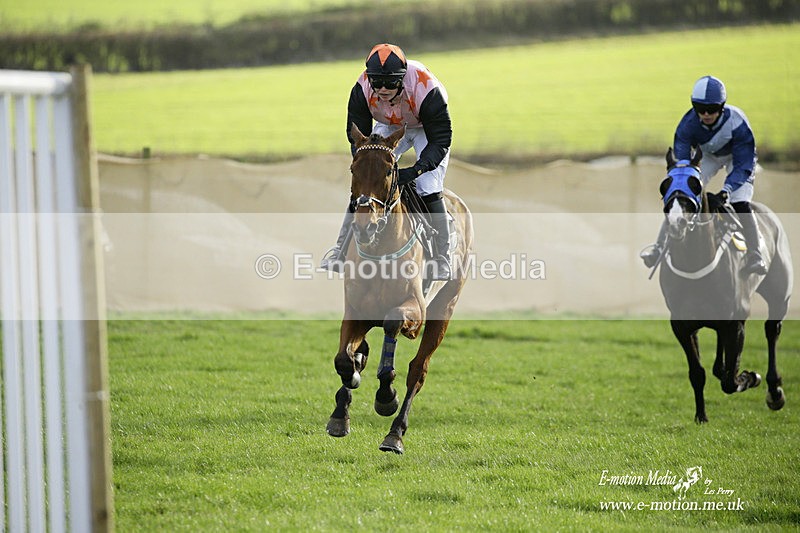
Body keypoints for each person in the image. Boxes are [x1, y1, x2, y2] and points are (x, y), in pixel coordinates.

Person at [320, 43, 453, 280]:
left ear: (402, 79)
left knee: (428, 186)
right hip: (392, 126)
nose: (382, 89)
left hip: (427, 129)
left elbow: (440, 140)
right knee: (366, 186)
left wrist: (415, 170)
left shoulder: (427, 89)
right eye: (377, 82)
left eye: (390, 83)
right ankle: (339, 251)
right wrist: (367, 169)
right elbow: (358, 140)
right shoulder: (361, 90)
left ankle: (442, 258)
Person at [641, 75, 768, 276]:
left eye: (712, 109)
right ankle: (658, 247)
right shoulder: (687, 125)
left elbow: (743, 165)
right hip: (708, 156)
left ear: (722, 107)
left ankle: (755, 254)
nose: (706, 114)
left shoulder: (737, 123)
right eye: (701, 109)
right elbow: (681, 167)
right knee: (680, 197)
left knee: (739, 200)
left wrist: (725, 192)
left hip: (738, 158)